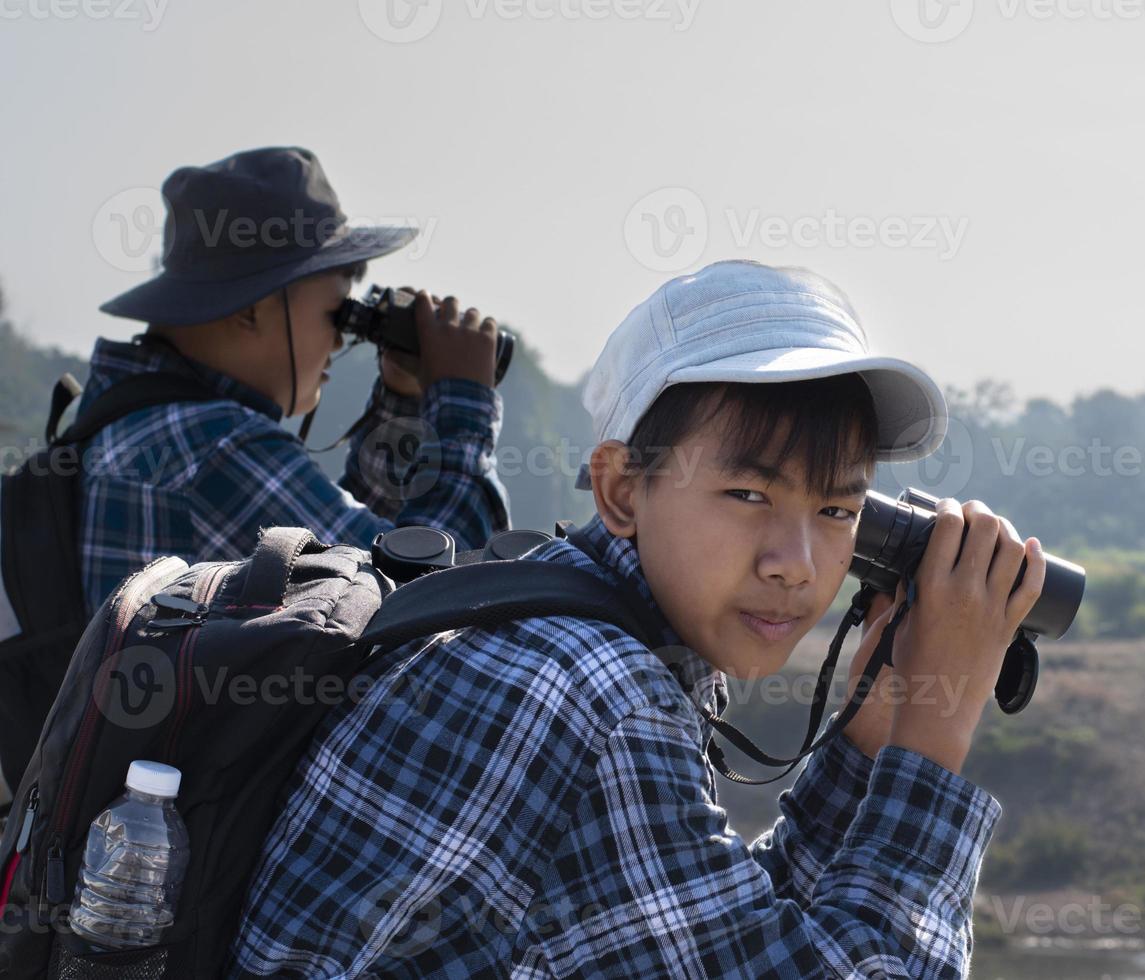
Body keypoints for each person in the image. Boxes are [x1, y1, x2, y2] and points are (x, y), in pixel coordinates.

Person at [228, 259, 1044, 978]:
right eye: (749, 495)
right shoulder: (596, 689)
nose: (795, 562)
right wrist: (935, 732)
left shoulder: (556, 614)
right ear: (622, 490)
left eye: (838, 509)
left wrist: (871, 731)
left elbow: (727, 941)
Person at [78, 145, 509, 610]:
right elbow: (412, 602)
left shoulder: (135, 418)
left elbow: (343, 555)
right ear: (250, 310)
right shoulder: (215, 445)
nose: (341, 341)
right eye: (336, 313)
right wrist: (465, 405)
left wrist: (402, 405)